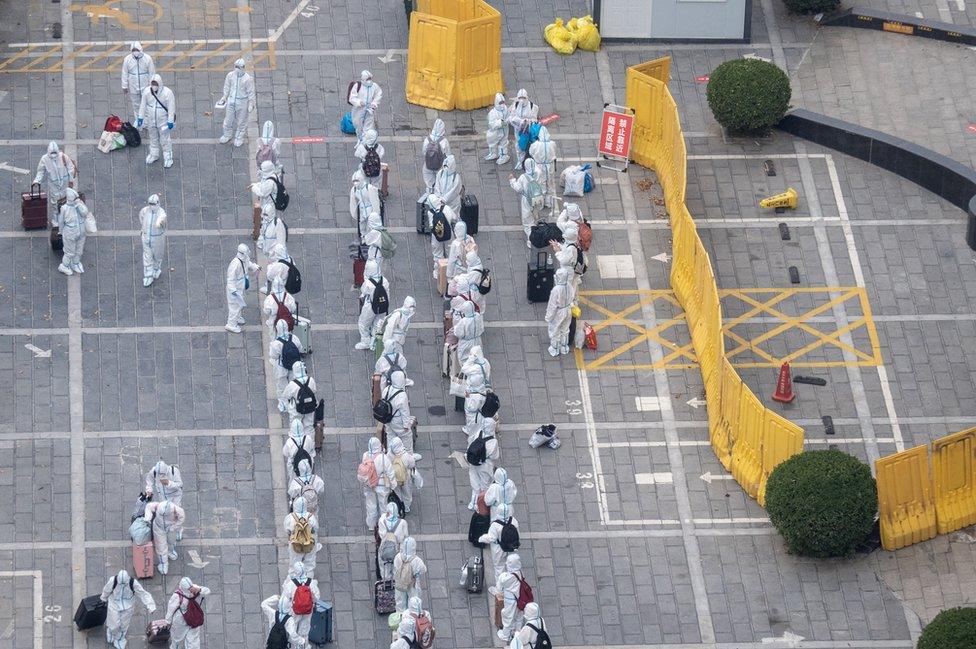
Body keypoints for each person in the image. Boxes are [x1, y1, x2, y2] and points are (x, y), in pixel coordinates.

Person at [99, 568, 156, 649]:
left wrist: (150, 606)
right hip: (114, 604)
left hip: (128, 607)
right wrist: (103, 598)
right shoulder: (113, 581)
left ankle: (119, 639)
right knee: (113, 623)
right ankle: (111, 632)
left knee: (124, 625)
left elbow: (143, 593)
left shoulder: (133, 583)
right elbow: (106, 590)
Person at [137, 74, 176, 168]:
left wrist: (170, 120)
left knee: (165, 139)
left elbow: (171, 107)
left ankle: (168, 157)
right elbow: (143, 105)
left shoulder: (167, 93)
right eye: (152, 83)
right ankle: (154, 154)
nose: (154, 85)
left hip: (163, 120)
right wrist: (140, 117)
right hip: (151, 119)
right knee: (153, 137)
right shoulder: (147, 91)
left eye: (155, 83)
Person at [280, 561, 321, 649]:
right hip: (307, 610)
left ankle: (293, 646)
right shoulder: (311, 583)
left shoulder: (290, 584)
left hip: (294, 610)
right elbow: (316, 598)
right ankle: (304, 646)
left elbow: (284, 599)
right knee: (304, 630)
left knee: (293, 629)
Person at [217, 58, 255, 147]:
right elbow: (227, 87)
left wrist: (251, 104)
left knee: (242, 121)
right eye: (236, 66)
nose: (237, 68)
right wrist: (224, 97)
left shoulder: (248, 79)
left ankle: (239, 137)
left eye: (239, 67)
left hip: (242, 102)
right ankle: (227, 135)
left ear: (243, 67)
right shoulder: (230, 75)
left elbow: (251, 92)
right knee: (228, 120)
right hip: (231, 100)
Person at [55, 188, 93, 275]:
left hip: (81, 232)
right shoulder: (64, 208)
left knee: (79, 251)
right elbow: (61, 222)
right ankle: (64, 266)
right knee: (69, 252)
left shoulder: (79, 205)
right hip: (70, 233)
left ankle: (75, 263)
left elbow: (85, 213)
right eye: (75, 199)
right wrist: (61, 232)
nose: (77, 200)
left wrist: (78, 205)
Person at [164, 577, 209, 649]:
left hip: (189, 619)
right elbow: (171, 609)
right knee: (177, 640)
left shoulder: (193, 589)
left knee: (192, 642)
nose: (191, 590)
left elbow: (207, 591)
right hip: (182, 622)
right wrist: (168, 622)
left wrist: (199, 589)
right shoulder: (177, 596)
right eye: (189, 588)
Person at [33, 141, 77, 213]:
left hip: (64, 182)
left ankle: (65, 215)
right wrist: (37, 180)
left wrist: (71, 180)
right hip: (54, 183)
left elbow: (70, 169)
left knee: (66, 199)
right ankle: (56, 218)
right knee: (55, 201)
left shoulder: (63, 157)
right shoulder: (45, 159)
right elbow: (40, 171)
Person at [479, 501, 518, 582]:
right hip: (511, 547)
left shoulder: (495, 525)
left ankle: (500, 588)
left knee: (499, 568)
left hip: (499, 549)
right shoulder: (513, 520)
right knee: (511, 566)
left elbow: (491, 538)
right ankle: (511, 582)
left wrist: (481, 538)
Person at [269, 319, 303, 412]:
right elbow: (300, 348)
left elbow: (273, 356)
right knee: (294, 384)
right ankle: (295, 402)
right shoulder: (294, 338)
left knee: (281, 386)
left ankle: (284, 405)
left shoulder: (276, 343)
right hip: (293, 366)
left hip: (281, 367)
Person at [361, 437, 395, 530]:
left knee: (370, 505)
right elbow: (390, 473)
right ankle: (383, 525)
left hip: (369, 485)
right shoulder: (383, 458)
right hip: (382, 485)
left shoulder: (365, 455)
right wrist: (393, 485)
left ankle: (371, 525)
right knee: (383, 505)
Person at [355, 259, 389, 351]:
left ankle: (365, 342)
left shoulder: (368, 283)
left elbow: (364, 292)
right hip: (383, 306)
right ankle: (375, 343)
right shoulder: (384, 280)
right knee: (378, 323)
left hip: (370, 306)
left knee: (363, 324)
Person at [509, 158, 544, 247]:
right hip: (538, 198)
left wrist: (512, 180)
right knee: (535, 215)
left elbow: (518, 188)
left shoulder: (523, 177)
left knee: (527, 221)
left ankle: (531, 239)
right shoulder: (539, 173)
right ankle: (536, 225)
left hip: (527, 200)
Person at [467, 416, 499, 511]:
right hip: (485, 465)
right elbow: (495, 456)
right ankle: (479, 505)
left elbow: (470, 442)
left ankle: (472, 502)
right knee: (484, 485)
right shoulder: (493, 441)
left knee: (475, 482)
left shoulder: (478, 433)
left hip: (474, 462)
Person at [145, 500, 185, 575]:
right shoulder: (158, 505)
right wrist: (148, 517)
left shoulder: (178, 510)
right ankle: (163, 564)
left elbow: (181, 519)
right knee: (161, 547)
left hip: (171, 528)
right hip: (159, 528)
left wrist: (173, 527)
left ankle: (170, 552)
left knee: (171, 542)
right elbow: (148, 507)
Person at [226, 244, 259, 333]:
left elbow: (249, 264)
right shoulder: (235, 264)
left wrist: (255, 267)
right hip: (235, 289)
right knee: (234, 306)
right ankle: (231, 324)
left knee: (240, 303)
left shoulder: (244, 259)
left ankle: (237, 317)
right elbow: (230, 279)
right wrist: (233, 290)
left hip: (241, 286)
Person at [285, 497, 321, 575]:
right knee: (309, 561)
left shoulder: (291, 517)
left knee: (295, 561)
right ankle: (309, 579)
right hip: (309, 543)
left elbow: (287, 529)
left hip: (295, 542)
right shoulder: (311, 517)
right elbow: (316, 528)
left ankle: (294, 579)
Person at [494, 554, 526, 642]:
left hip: (510, 599)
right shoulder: (520, 572)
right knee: (519, 616)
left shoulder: (506, 577)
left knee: (507, 616)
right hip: (520, 598)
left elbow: (499, 588)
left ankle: (506, 635)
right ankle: (517, 632)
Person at [121, 42, 155, 122]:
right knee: (136, 106)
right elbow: (124, 73)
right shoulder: (127, 59)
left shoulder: (147, 59)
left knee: (146, 104)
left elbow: (152, 73)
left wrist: (152, 86)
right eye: (133, 50)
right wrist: (124, 86)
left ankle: (147, 122)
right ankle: (138, 121)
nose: (135, 51)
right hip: (133, 86)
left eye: (136, 50)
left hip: (145, 86)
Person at [138, 193, 167, 286]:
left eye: (153, 204)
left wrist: (158, 223)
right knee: (147, 256)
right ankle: (148, 276)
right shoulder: (145, 211)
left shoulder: (161, 213)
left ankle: (156, 269)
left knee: (157, 255)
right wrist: (144, 231)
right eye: (150, 204)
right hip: (146, 237)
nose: (152, 206)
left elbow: (162, 220)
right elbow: (141, 219)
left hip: (157, 238)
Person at [282, 360, 317, 434]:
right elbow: (314, 391)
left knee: (295, 426)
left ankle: (297, 444)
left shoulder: (292, 384)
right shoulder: (311, 380)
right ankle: (309, 443)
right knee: (309, 427)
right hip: (310, 406)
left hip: (296, 408)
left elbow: (286, 395)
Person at [392, 537, 426, 612]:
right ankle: (412, 615)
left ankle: (401, 615)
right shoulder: (417, 560)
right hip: (412, 583)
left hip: (400, 582)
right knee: (413, 599)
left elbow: (395, 568)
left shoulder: (398, 557)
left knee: (400, 601)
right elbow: (423, 570)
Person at [426, 193, 456, 278]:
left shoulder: (430, 212)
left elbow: (431, 225)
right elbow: (454, 218)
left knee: (437, 254)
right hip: (448, 233)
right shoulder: (446, 208)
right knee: (450, 251)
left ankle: (438, 271)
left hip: (436, 236)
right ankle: (450, 270)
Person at [387, 436, 420, 514]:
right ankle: (406, 506)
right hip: (405, 477)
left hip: (394, 477)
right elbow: (412, 464)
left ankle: (398, 504)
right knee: (407, 491)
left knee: (397, 491)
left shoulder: (389, 454)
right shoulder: (406, 456)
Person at [545, 267, 574, 356]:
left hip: (559, 312)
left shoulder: (556, 290)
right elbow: (572, 297)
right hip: (568, 310)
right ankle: (564, 347)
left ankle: (555, 348)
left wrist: (548, 316)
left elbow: (552, 305)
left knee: (555, 329)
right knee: (565, 329)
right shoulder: (569, 285)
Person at [376, 501, 408, 579]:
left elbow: (381, 534)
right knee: (396, 566)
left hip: (384, 547)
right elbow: (405, 537)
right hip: (397, 548)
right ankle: (395, 581)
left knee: (384, 566)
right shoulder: (402, 522)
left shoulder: (382, 521)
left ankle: (385, 579)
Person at [385, 370, 415, 453]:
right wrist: (406, 425)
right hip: (398, 420)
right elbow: (405, 412)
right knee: (407, 438)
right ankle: (409, 457)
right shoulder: (402, 395)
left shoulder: (387, 389)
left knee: (390, 436)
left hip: (387, 418)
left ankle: (390, 456)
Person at [552, 222, 585, 296]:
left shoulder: (570, 248)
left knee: (568, 288)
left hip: (568, 270)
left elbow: (564, 260)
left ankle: (571, 302)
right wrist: (559, 245)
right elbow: (566, 250)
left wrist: (557, 251)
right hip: (572, 268)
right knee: (572, 285)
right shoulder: (572, 244)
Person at [509, 89, 539, 169]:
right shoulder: (515, 106)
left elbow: (534, 120)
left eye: (523, 97)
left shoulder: (533, 106)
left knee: (531, 146)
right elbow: (511, 118)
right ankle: (521, 162)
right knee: (519, 146)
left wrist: (527, 122)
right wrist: (520, 121)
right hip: (518, 130)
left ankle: (532, 162)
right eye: (520, 97)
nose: (522, 100)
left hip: (529, 131)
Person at [349, 169, 381, 242]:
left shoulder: (369, 188)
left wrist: (376, 214)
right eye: (354, 181)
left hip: (370, 209)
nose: (355, 183)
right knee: (362, 225)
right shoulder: (354, 190)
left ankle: (372, 239)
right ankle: (364, 238)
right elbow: (352, 202)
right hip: (362, 209)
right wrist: (354, 213)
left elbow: (375, 201)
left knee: (370, 225)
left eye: (357, 181)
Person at [529, 125, 557, 206]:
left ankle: (541, 203)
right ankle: (549, 202)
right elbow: (554, 152)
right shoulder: (552, 143)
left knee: (540, 183)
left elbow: (531, 152)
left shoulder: (535, 144)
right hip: (549, 166)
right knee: (550, 183)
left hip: (539, 166)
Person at [350, 70, 382, 140]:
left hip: (370, 109)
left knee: (369, 126)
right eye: (368, 79)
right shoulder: (357, 86)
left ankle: (366, 141)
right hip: (358, 109)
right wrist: (359, 102)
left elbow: (379, 94)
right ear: (363, 79)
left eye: (370, 78)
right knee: (357, 125)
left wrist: (374, 103)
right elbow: (352, 98)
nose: (369, 81)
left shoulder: (374, 86)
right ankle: (360, 139)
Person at [421, 119, 451, 192]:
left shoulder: (427, 139)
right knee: (440, 184)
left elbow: (424, 152)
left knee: (429, 184)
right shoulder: (444, 141)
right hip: (440, 166)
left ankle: (430, 195)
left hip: (428, 165)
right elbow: (448, 155)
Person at [452, 300, 484, 365]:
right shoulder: (478, 316)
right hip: (477, 341)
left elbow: (458, 333)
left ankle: (467, 373)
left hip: (466, 343)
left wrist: (455, 328)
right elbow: (481, 328)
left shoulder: (464, 321)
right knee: (477, 358)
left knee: (465, 361)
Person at [446, 220, 473, 295]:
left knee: (458, 287)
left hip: (458, 270)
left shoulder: (455, 244)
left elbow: (451, 260)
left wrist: (448, 274)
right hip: (468, 269)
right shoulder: (470, 240)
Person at [458, 250, 487, 315]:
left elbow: (468, 280)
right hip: (477, 289)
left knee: (475, 306)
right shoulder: (476, 263)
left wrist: (460, 277)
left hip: (475, 292)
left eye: (468, 260)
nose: (466, 261)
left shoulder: (475, 272)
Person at [485, 92, 511, 165]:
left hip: (505, 130)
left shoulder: (506, 109)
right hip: (496, 131)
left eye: (503, 102)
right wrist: (500, 123)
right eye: (500, 103)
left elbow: (508, 116)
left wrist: (508, 120)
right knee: (492, 143)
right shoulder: (493, 113)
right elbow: (491, 124)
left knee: (504, 143)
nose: (502, 105)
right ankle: (494, 153)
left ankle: (503, 156)